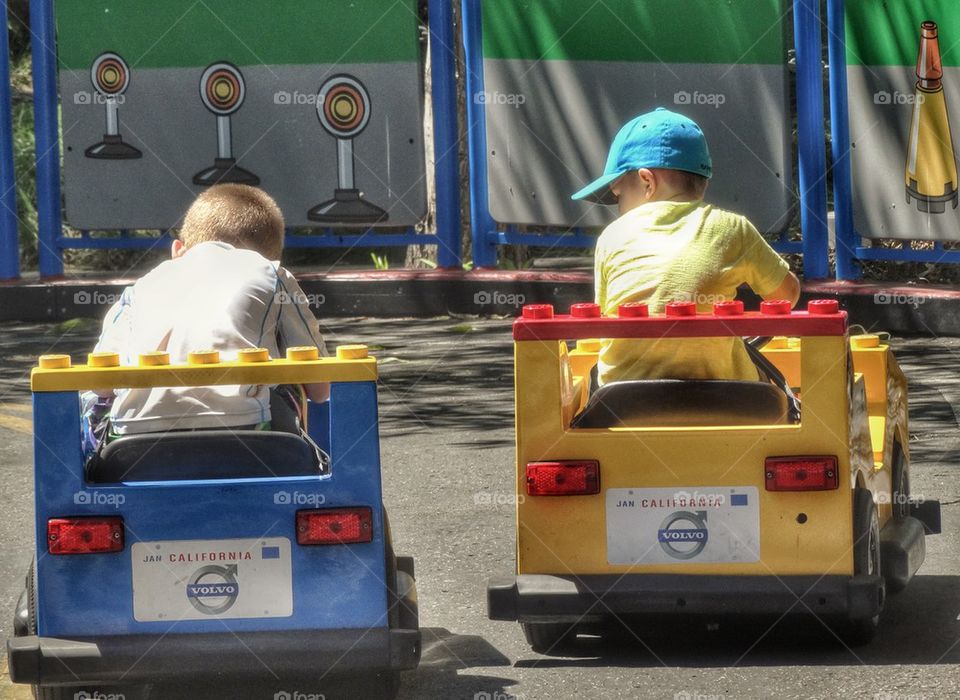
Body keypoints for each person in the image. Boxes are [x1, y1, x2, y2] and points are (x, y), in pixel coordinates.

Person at [572, 108, 801, 385]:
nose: (619, 210)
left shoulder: (611, 236)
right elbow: (787, 295)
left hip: (625, 404)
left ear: (647, 182)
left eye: (619, 196)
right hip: (725, 401)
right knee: (774, 389)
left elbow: (606, 323)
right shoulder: (732, 228)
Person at [85, 184, 328, 442]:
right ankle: (312, 461)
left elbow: (100, 384)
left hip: (132, 446)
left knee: (91, 400)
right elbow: (320, 389)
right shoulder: (271, 273)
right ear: (271, 256)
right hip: (251, 439)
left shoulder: (140, 287)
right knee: (292, 383)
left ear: (178, 250)